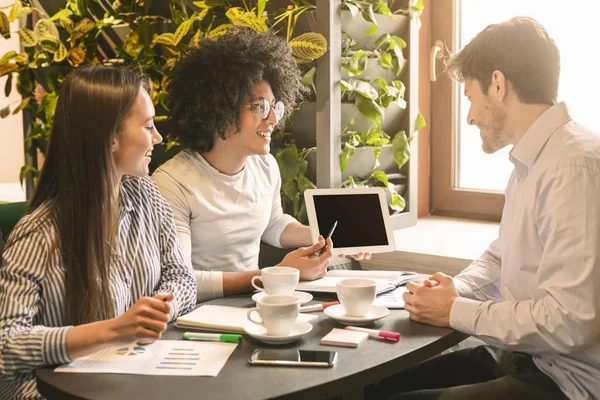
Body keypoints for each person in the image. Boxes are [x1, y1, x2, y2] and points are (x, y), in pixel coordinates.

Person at [369, 17, 600, 400]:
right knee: (378, 388)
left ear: (498, 84)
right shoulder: (534, 162)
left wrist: (454, 311)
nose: (470, 116)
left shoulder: (571, 167)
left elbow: (570, 322)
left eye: (471, 99)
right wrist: (454, 289)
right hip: (533, 358)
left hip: (570, 381)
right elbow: (502, 254)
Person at [0, 65, 197, 399]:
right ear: (110, 137)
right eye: (148, 126)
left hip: (123, 378)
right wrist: (113, 331)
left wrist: (159, 310)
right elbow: (6, 344)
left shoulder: (147, 195)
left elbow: (183, 278)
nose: (159, 138)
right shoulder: (38, 232)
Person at [153, 28, 368, 303]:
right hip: (200, 315)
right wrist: (277, 273)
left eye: (274, 107)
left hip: (256, 303)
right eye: (259, 106)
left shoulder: (264, 166)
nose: (272, 120)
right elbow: (181, 282)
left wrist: (329, 239)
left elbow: (273, 224)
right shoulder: (172, 183)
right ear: (220, 107)